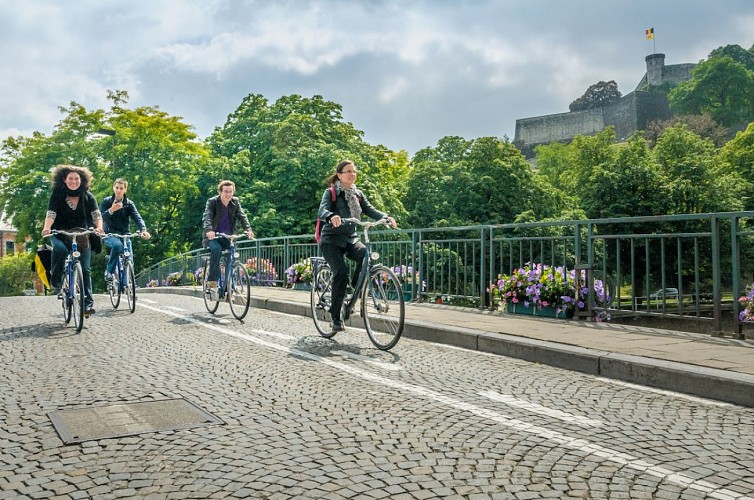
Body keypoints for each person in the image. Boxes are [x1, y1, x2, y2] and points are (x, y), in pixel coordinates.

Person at [317, 160, 397, 333]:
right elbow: (322, 210)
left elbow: (370, 210)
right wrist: (331, 216)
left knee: (366, 254)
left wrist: (386, 217)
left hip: (350, 238)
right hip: (331, 240)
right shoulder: (331, 192)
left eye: (354, 171)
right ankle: (336, 316)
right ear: (339, 175)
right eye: (348, 171)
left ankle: (356, 284)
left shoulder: (358, 194)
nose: (352, 174)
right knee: (341, 273)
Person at [41, 164, 104, 315]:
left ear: (82, 180)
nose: (74, 181)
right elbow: (51, 213)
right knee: (60, 250)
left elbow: (97, 216)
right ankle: (56, 280)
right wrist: (47, 228)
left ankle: (87, 306)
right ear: (64, 179)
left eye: (77, 179)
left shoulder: (88, 197)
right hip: (59, 233)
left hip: (81, 235)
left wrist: (99, 228)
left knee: (86, 269)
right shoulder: (57, 195)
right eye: (71, 179)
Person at [201, 180, 255, 294]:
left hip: (228, 236)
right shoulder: (212, 202)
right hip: (213, 237)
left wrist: (248, 229)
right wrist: (209, 230)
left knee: (231, 256)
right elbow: (207, 216)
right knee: (216, 250)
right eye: (225, 191)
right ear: (220, 192)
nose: (228, 194)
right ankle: (212, 284)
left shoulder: (235, 202)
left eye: (231, 191)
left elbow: (242, 216)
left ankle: (228, 285)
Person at [100, 178, 151, 281]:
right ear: (113, 188)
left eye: (121, 188)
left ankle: (128, 284)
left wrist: (143, 230)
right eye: (117, 187)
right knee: (117, 246)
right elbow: (99, 217)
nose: (118, 190)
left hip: (125, 234)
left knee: (129, 258)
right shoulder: (106, 201)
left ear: (125, 190)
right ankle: (109, 271)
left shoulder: (129, 203)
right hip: (110, 233)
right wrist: (111, 210)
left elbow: (137, 217)